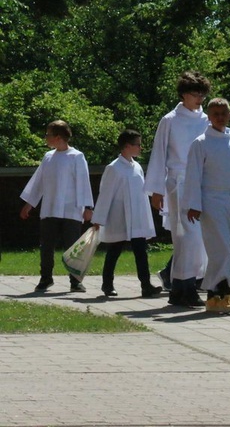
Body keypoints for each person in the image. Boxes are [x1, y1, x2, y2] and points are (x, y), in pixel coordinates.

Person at [184, 98, 230, 314]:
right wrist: (193, 204)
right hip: (209, 200)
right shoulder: (201, 143)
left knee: (223, 247)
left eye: (223, 114)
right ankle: (224, 290)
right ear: (208, 116)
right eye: (215, 113)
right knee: (222, 248)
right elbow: (193, 175)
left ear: (229, 115)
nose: (219, 117)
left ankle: (214, 294)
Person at [144, 70, 210, 308]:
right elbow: (160, 153)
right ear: (183, 94)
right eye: (195, 94)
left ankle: (180, 287)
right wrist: (156, 189)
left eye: (202, 94)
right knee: (185, 236)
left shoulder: (207, 120)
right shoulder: (170, 120)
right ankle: (187, 286)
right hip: (178, 184)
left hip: (201, 184)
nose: (199, 99)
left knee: (197, 239)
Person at [20, 120, 94, 293]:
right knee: (46, 246)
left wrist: (88, 207)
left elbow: (83, 181)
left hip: (71, 209)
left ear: (58, 137)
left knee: (73, 247)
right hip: (50, 208)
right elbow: (38, 182)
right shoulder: (48, 157)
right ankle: (46, 278)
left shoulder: (77, 156)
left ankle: (75, 280)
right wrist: (29, 204)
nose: (46, 138)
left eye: (48, 135)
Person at [91, 130, 162, 298]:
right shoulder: (114, 168)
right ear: (127, 146)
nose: (140, 147)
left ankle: (146, 285)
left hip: (136, 216)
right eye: (137, 144)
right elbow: (105, 193)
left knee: (141, 250)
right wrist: (99, 218)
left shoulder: (136, 167)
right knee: (114, 250)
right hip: (119, 215)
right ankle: (107, 284)